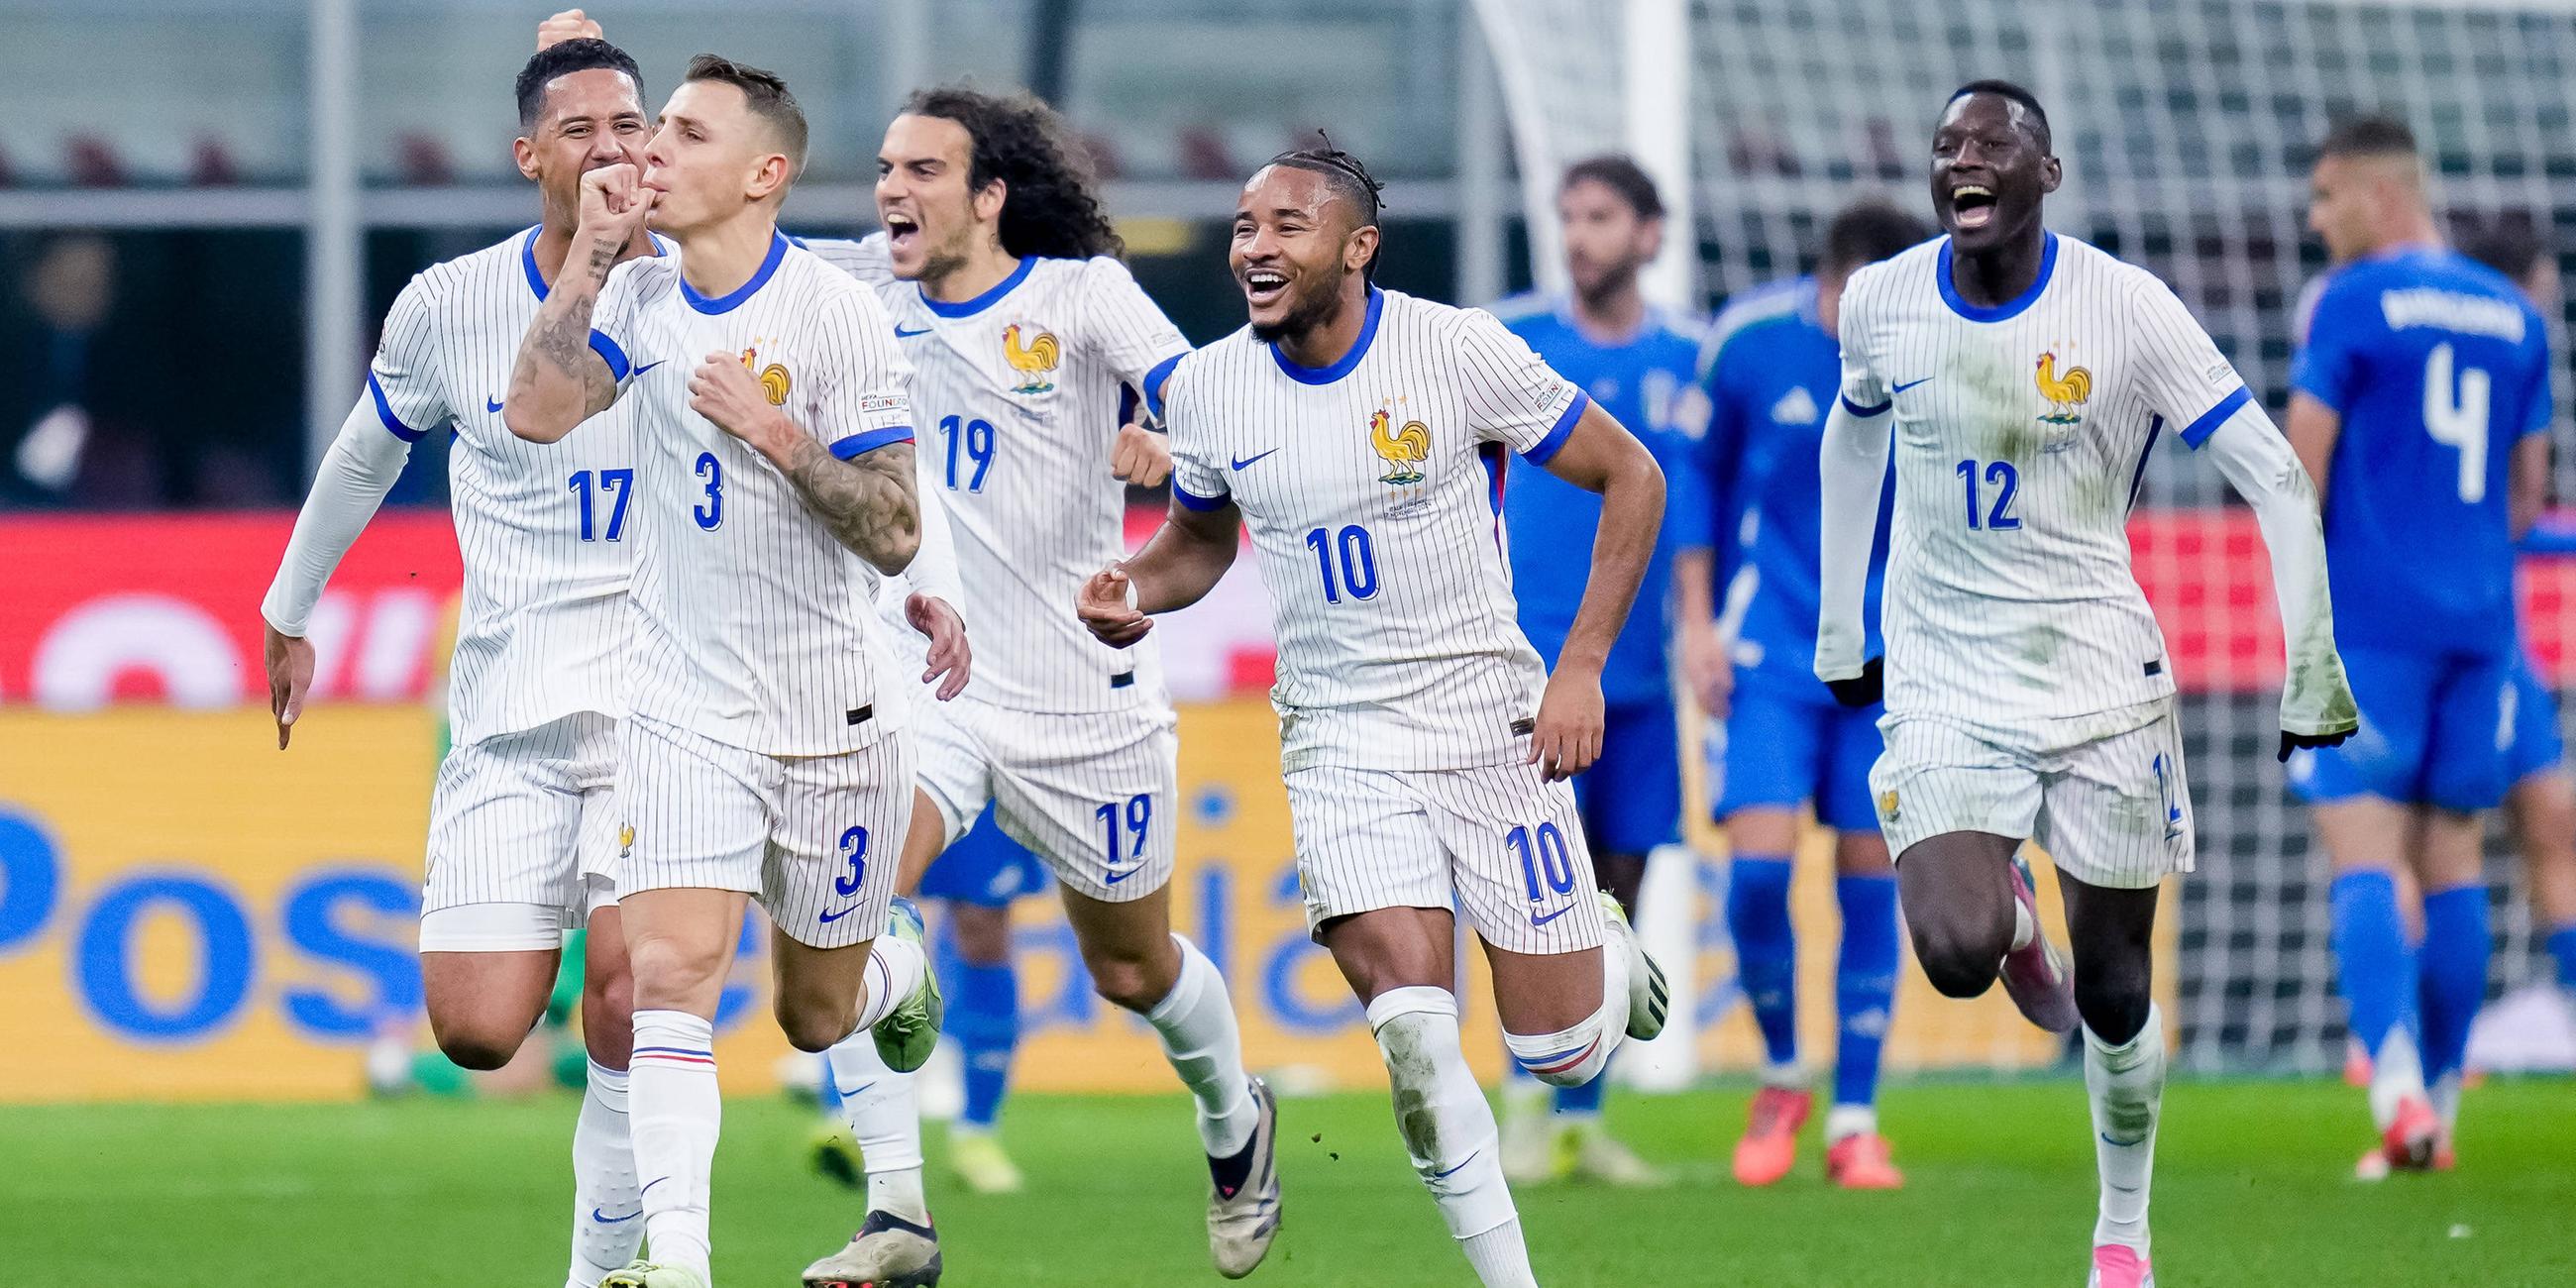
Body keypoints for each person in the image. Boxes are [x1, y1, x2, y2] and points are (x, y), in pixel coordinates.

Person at [1079, 142, 1670, 1288]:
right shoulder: (1203, 387)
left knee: (1559, 1051)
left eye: (1287, 226)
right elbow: (1199, 541)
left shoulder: (1452, 351)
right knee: (1412, 1034)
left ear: (1356, 249)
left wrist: (1579, 668)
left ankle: (1600, 944)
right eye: (1246, 226)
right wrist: (1133, 588)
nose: (1255, 247)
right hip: (1338, 739)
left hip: (1485, 721)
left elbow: (1631, 474)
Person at [1817, 82, 2356, 1288]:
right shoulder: (1882, 302)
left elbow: (2269, 473)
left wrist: (2308, 662)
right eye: (1944, 143)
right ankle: (2006, 917)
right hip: (1944, 671)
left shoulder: (2125, 308)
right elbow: (1849, 438)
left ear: (2042, 176)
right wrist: (1836, 620)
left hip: (2100, 679)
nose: (1961, 160)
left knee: (2112, 990)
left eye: (1989, 145)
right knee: (1953, 949)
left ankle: (2122, 1230)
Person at [794, 86, 1275, 1288]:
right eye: (885, 167)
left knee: (1133, 968)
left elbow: (1209, 403)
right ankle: (895, 1212)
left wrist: (1169, 448)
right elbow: (722, 242)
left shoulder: (1081, 299)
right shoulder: (861, 288)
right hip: (929, 685)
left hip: (1080, 695)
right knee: (838, 908)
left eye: (922, 170)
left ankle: (1233, 1116)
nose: (891, 189)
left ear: (990, 194)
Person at [502, 54, 961, 1288]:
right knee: (668, 978)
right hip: (678, 706)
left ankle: (889, 972)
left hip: (831, 717)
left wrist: (777, 435)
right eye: (653, 132)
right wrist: (590, 259)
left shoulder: (831, 316)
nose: (649, 151)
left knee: (812, 1013)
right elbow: (536, 412)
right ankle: (685, 1264)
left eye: (685, 136)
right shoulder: (641, 301)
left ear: (764, 173)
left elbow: (893, 527)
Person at [260, 35, 662, 1288]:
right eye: (582, 130)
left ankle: (614, 1264)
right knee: (480, 1028)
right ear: (527, 156)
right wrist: (289, 606)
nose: (614, 149)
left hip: (668, 697)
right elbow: (367, 455)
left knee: (627, 1000)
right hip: (511, 705)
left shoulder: (711, 285)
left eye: (631, 126)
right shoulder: (446, 305)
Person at [2285, 117, 2550, 1179]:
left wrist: (2297, 614)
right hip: (2480, 627)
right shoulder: (2512, 314)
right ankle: (2436, 1104)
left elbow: (2295, 472)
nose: (2314, 220)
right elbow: (2526, 497)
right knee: (2448, 864)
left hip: (2369, 624)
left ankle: (2392, 1091)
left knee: (2360, 854)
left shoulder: (2348, 302)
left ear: (2375, 194)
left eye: (2323, 197)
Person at [1685, 199, 1926, 1191]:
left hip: (1887, 665)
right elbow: (1691, 480)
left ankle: (1855, 1116)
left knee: (1871, 877)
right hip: (1770, 653)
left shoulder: (1931, 352)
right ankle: (1782, 1069)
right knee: (1755, 872)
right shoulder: (1744, 343)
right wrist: (1695, 624)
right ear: (1830, 287)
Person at [1483, 155, 1700, 1188]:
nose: (1579, 234)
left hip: (1644, 675)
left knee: (1619, 887)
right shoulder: (1511, 341)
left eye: (1601, 215)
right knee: (1532, 888)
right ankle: (1524, 1100)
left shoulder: (1686, 359)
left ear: (1649, 234)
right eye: (1567, 215)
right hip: (1524, 666)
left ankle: (1581, 1117)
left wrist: (1706, 624)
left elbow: (1696, 510)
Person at [2453, 218, 2576, 1019]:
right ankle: (2406, 1038)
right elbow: (2514, 511)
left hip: (2503, 643)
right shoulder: (2489, 363)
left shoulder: (2512, 371)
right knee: (2435, 838)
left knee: (2553, 819)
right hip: (2432, 639)